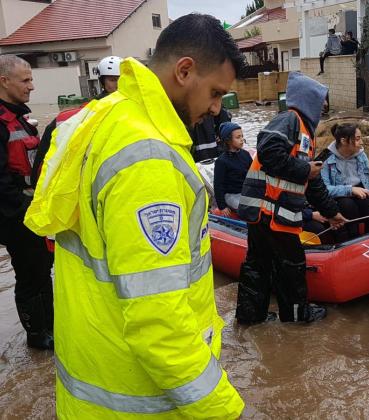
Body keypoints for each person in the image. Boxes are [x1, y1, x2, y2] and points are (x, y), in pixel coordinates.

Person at [25, 14, 245, 418]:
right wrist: (224, 410)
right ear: (184, 70)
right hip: (138, 398)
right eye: (215, 93)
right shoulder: (148, 160)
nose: (216, 110)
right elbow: (158, 322)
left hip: (94, 376)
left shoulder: (102, 116)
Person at [236, 72, 346, 324]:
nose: (325, 106)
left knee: (258, 264)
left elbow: (313, 180)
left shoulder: (305, 133)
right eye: (322, 101)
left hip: (266, 213)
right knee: (292, 264)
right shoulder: (290, 120)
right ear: (309, 100)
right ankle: (297, 316)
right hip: (271, 213)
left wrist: (331, 212)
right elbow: (268, 150)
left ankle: (252, 317)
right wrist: (305, 170)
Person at [0, 55, 54, 350]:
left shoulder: (20, 117)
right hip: (16, 214)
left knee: (43, 267)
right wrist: (23, 214)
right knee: (30, 273)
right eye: (25, 80)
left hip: (32, 209)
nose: (32, 86)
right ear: (4, 81)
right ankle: (37, 336)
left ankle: (52, 324)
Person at [31, 55, 123, 187]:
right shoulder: (83, 113)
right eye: (113, 80)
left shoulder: (140, 110)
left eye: (122, 79)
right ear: (103, 82)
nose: (118, 84)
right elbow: (44, 159)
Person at [320, 123, 369, 242]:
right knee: (347, 205)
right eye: (358, 139)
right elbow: (324, 189)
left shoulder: (362, 156)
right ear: (344, 141)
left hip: (359, 192)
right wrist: (350, 190)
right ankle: (351, 242)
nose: (361, 142)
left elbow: (367, 183)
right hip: (337, 197)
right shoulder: (325, 158)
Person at [213, 121, 252, 217]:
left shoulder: (245, 155)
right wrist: (222, 206)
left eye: (242, 136)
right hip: (231, 195)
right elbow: (218, 185)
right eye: (238, 137)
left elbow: (253, 175)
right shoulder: (221, 161)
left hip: (246, 192)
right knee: (247, 209)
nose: (242, 139)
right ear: (228, 140)